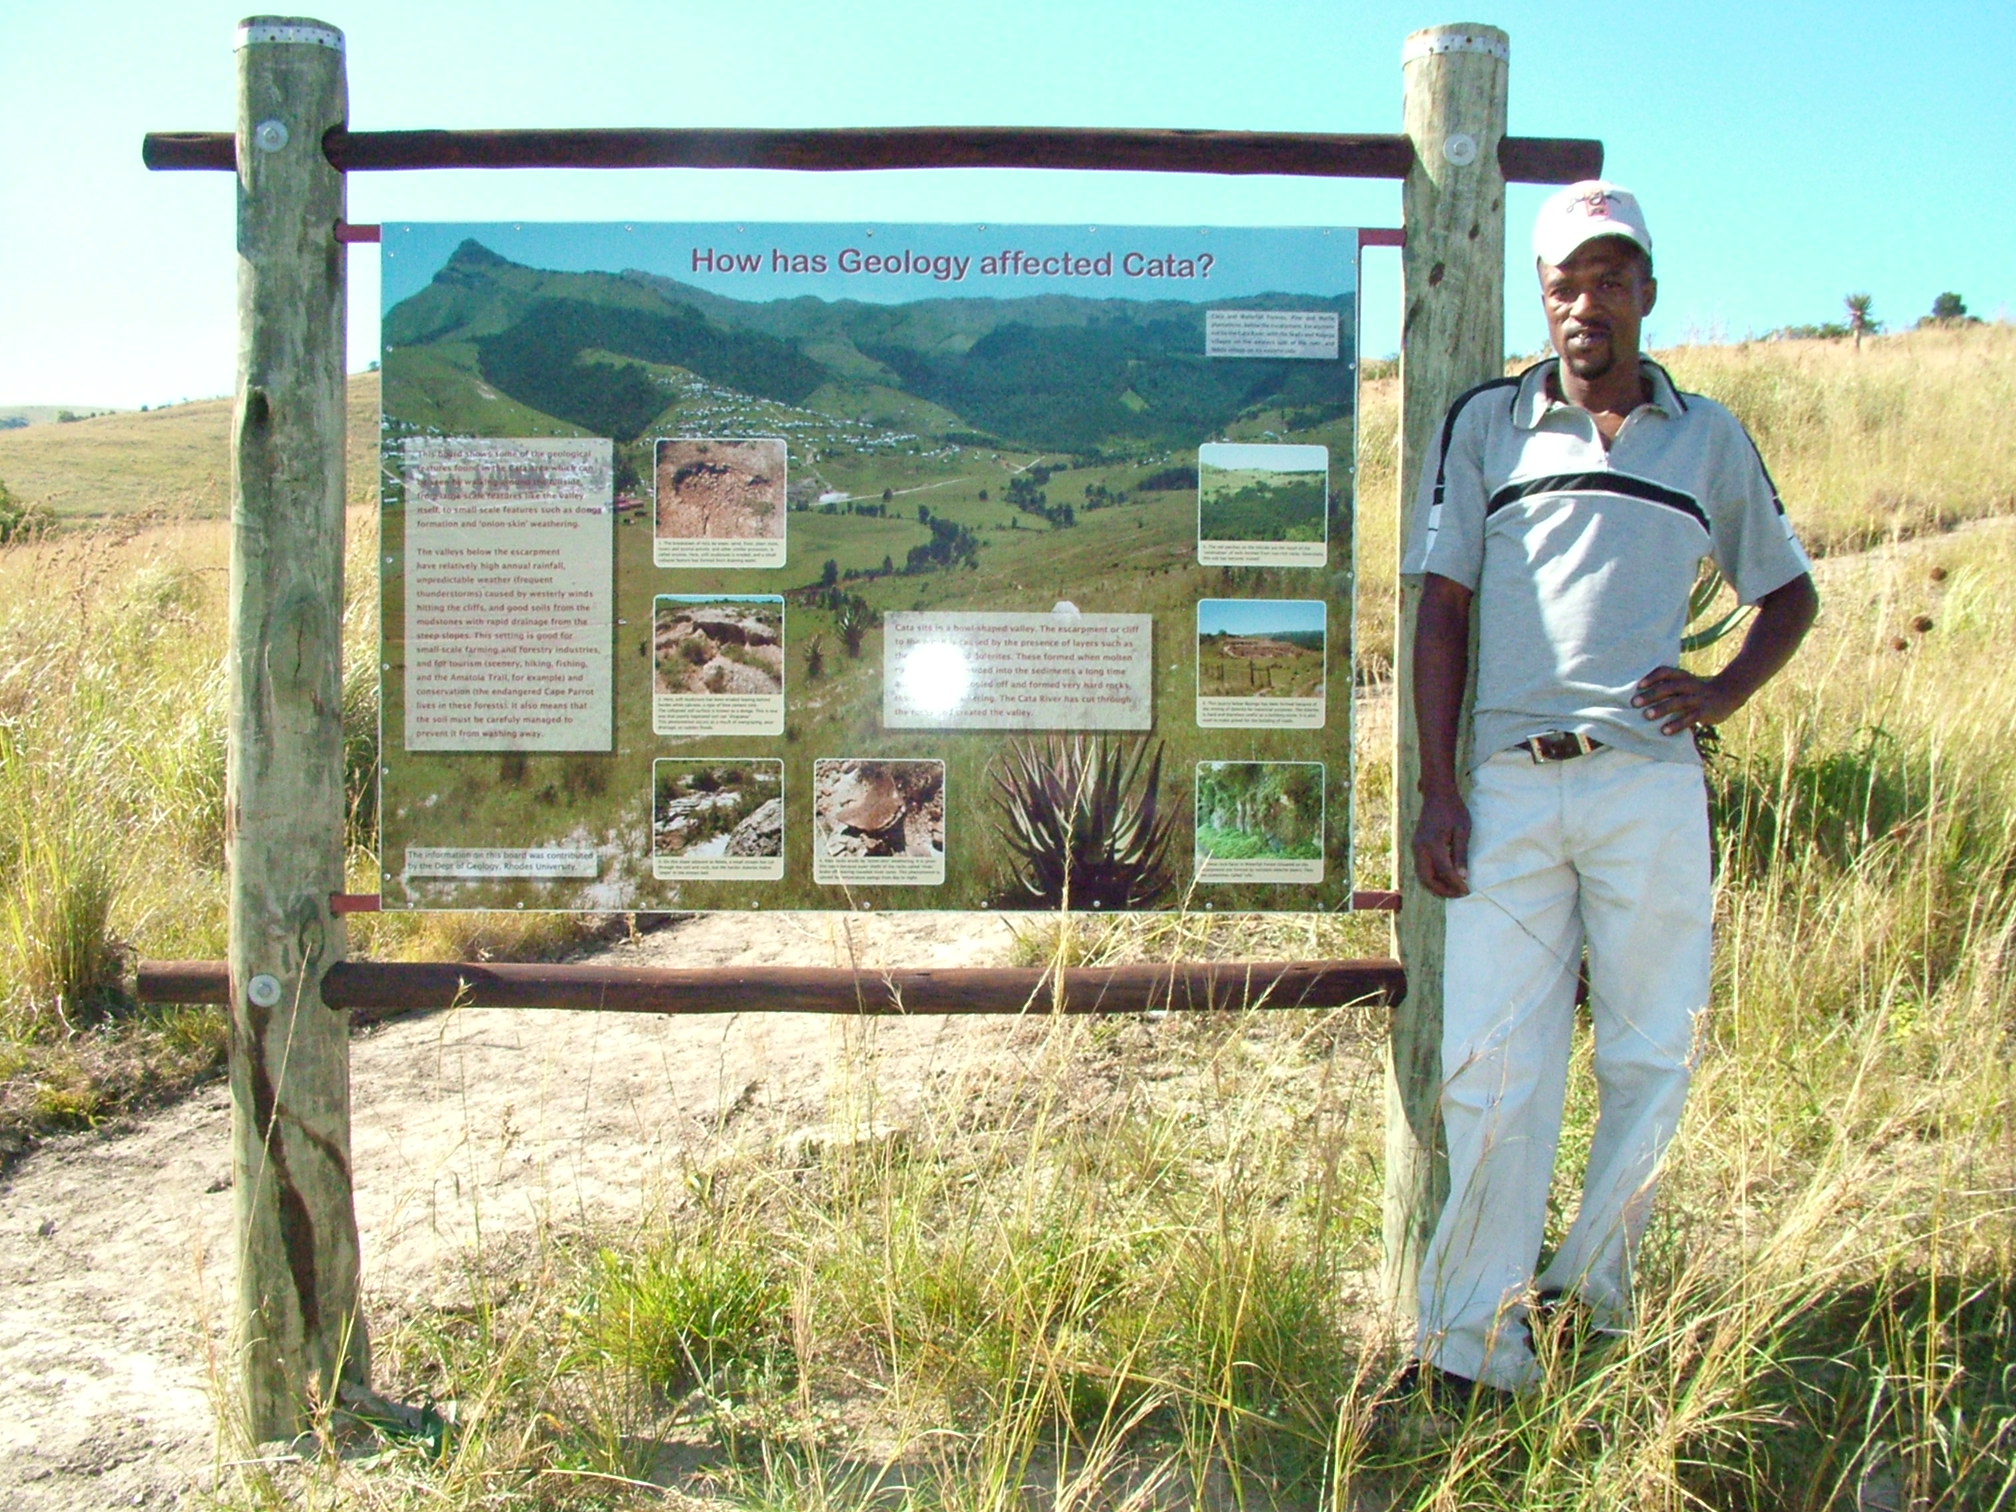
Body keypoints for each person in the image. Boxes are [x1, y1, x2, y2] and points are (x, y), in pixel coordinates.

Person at [1397, 181, 1819, 1399]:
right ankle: (1472, 1349)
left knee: (1651, 1050)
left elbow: (1786, 591)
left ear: (1647, 289)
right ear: (1544, 297)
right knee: (1491, 1064)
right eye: (1566, 283)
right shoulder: (1488, 424)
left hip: (1648, 789)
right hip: (1510, 792)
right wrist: (1439, 786)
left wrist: (1723, 691)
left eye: (1611, 278)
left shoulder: (1708, 434)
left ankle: (1593, 1297)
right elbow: (1444, 607)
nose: (1588, 304)